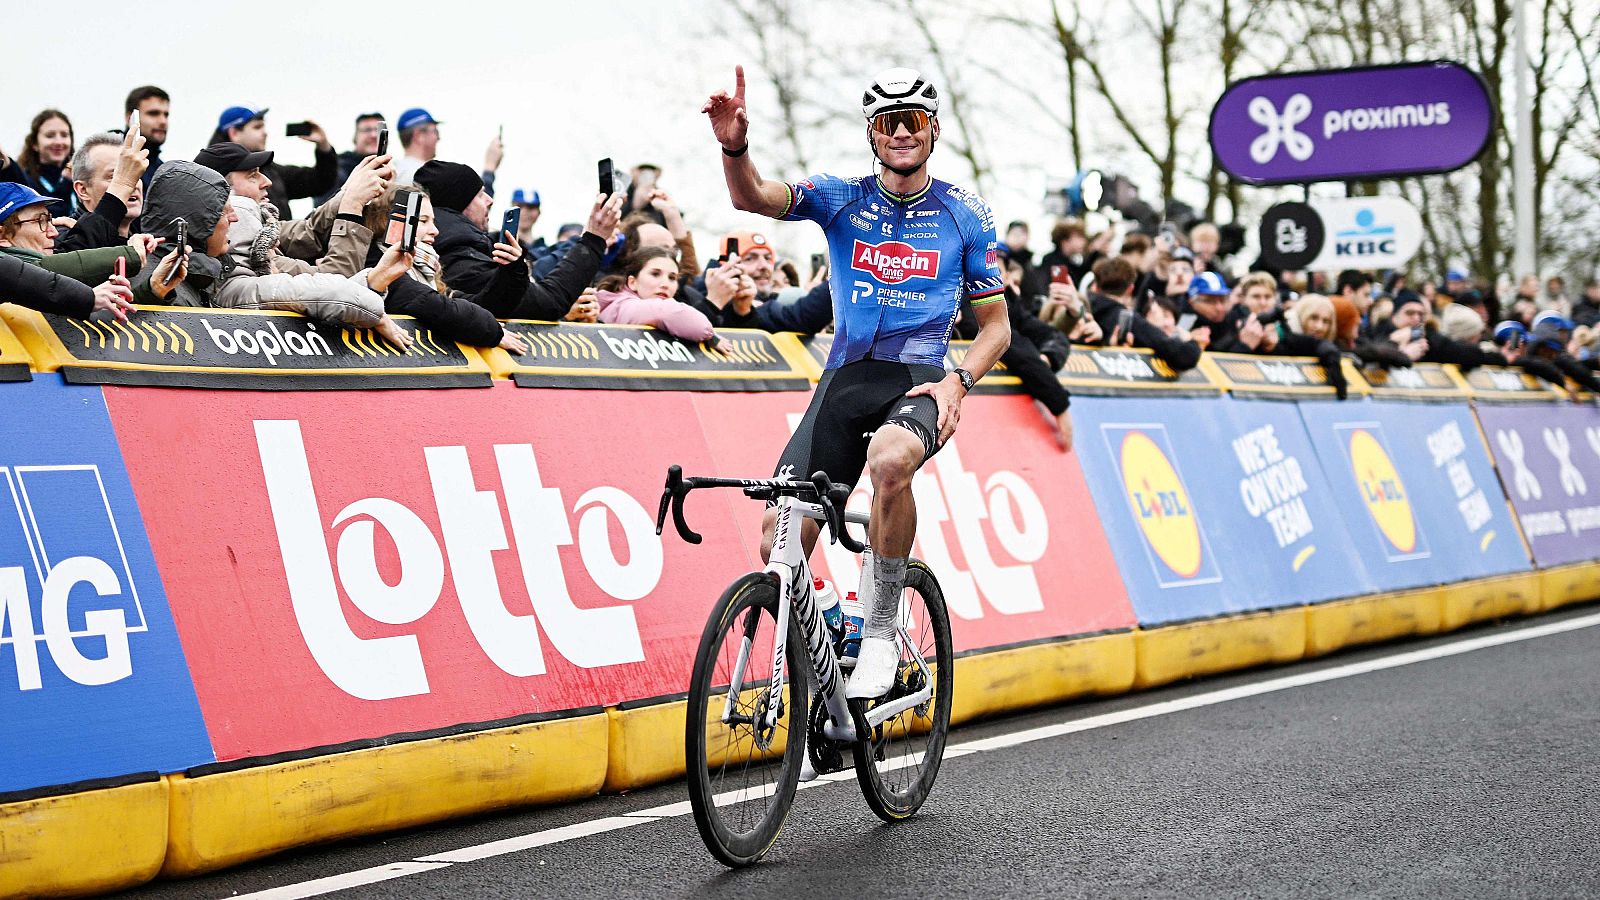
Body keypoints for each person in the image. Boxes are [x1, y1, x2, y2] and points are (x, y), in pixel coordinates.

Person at [705, 64, 1010, 700]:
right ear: (871, 135)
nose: (901, 133)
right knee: (777, 535)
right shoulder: (841, 196)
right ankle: (832, 632)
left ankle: (879, 625)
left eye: (914, 121)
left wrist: (958, 381)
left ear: (933, 131)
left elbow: (996, 329)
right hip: (845, 378)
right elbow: (753, 198)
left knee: (890, 459)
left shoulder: (965, 215)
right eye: (887, 123)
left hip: (920, 376)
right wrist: (734, 147)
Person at [417, 159, 622, 321]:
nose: (490, 201)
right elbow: (548, 302)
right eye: (480, 195)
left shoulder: (469, 247)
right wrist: (594, 239)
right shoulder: (457, 256)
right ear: (458, 204)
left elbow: (539, 272)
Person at [0, 182, 147, 287]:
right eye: (40, 221)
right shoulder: (11, 275)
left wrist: (154, 289)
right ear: (2, 236)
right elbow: (43, 270)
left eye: (49, 219)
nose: (54, 232)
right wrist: (131, 254)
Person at [211, 105, 338, 219]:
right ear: (234, 133)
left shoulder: (270, 169)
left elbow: (321, 181)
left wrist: (323, 146)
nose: (265, 132)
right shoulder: (212, 174)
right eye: (257, 127)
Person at [1087, 255, 1204, 371]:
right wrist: (1190, 340)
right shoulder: (1129, 320)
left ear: (1095, 287)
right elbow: (1184, 356)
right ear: (1130, 289)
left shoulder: (1080, 312)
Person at [595, 247, 717, 343]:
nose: (666, 284)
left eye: (672, 277)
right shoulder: (622, 304)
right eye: (655, 274)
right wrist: (711, 337)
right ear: (633, 282)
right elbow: (665, 312)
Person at [57, 128, 149, 252]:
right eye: (116, 176)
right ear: (83, 190)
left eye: (135, 174)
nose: (132, 184)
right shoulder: (62, 237)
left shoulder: (145, 243)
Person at [393, 108, 502, 193]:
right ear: (419, 136)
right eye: (435, 131)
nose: (438, 138)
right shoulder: (422, 175)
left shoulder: (395, 171)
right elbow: (472, 212)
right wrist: (490, 167)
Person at [1, 110, 77, 216]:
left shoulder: (81, 177)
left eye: (64, 135)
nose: (59, 142)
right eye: (50, 136)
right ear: (35, 143)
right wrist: (66, 182)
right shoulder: (26, 179)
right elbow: (54, 212)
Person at [315, 113, 386, 206]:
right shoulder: (337, 169)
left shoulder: (393, 169)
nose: (373, 135)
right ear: (355, 137)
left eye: (378, 130)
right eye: (367, 130)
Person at [124, 85, 170, 191]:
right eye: (153, 114)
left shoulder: (162, 171)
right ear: (130, 118)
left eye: (166, 115)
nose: (163, 121)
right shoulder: (110, 161)